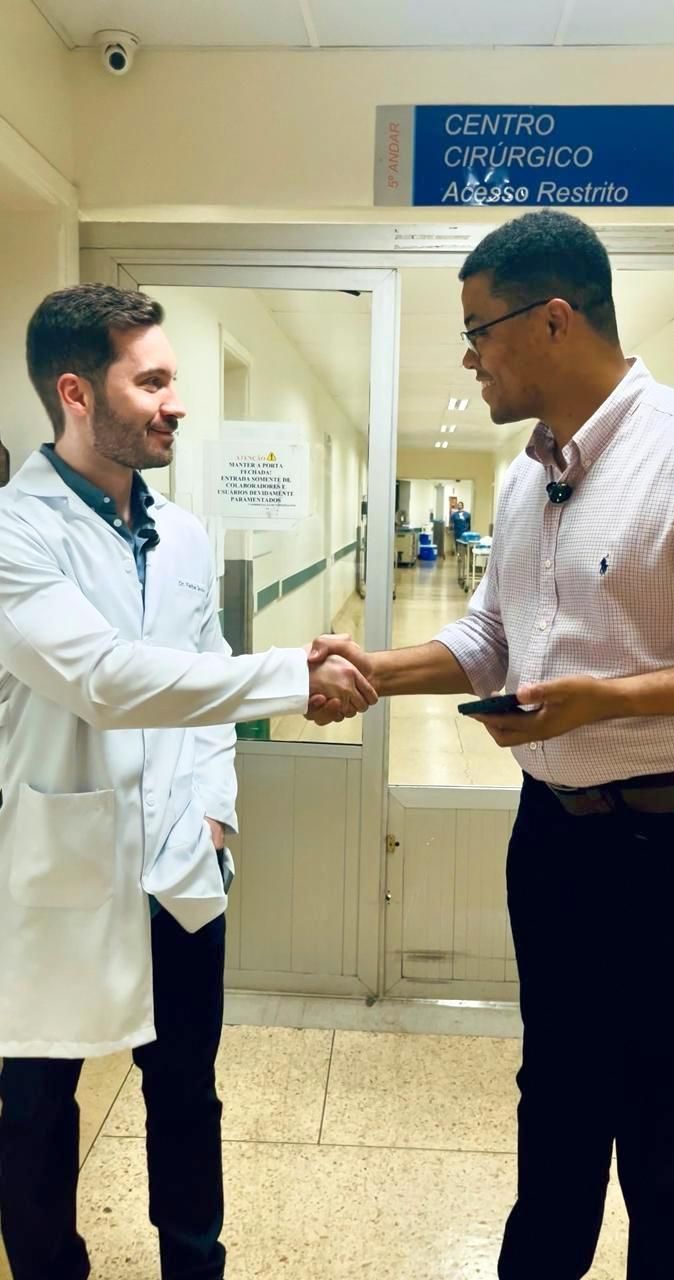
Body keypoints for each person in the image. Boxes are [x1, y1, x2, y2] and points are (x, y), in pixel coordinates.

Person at [307, 211, 674, 1279]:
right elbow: (490, 639)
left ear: (551, 320)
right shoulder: (522, 476)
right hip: (553, 841)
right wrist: (371, 668)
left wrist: (606, 704)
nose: (467, 357)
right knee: (555, 1099)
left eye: (476, 330)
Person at [0, 284, 377, 1280]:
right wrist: (293, 675)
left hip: (179, 863)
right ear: (77, 392)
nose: (177, 403)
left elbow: (203, 675)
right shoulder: (15, 531)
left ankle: (193, 1261)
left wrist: (214, 811)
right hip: (62, 866)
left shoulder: (185, 532)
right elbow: (107, 681)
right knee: (35, 1104)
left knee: (185, 1091)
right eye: (153, 381)